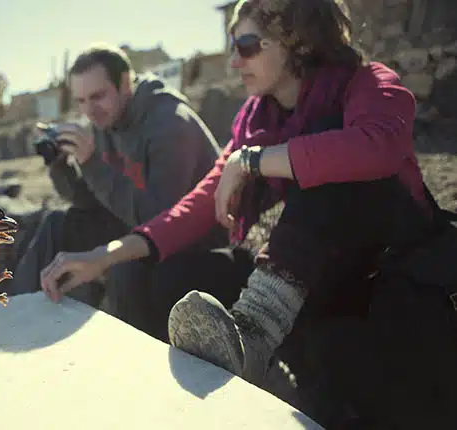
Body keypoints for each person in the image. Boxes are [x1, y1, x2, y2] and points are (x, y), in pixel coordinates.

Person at [40, 0, 454, 422]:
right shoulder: (255, 121)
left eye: (248, 45)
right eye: (232, 47)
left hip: (387, 269)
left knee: (328, 174)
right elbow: (194, 208)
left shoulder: (367, 85)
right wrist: (102, 257)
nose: (234, 61)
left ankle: (253, 336)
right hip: (312, 268)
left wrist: (254, 160)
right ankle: (163, 402)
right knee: (153, 272)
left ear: (297, 42)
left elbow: (376, 147)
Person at [5, 43, 226, 334]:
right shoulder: (107, 120)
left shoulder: (170, 124)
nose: (89, 110)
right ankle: (20, 317)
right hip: (139, 225)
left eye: (97, 96)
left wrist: (92, 162)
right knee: (58, 224)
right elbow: (90, 200)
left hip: (194, 242)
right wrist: (61, 165)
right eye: (81, 100)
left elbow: (158, 219)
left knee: (126, 268)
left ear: (125, 83)